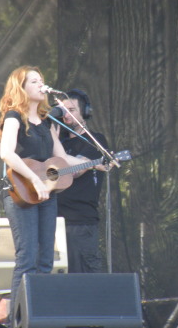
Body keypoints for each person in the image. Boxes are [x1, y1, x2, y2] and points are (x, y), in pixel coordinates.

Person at [0, 66, 87, 323]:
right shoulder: (14, 116)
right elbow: (7, 153)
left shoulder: (49, 122)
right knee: (26, 259)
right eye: (34, 81)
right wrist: (35, 179)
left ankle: (40, 318)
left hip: (47, 194)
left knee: (46, 259)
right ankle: (18, 321)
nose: (41, 85)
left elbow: (61, 158)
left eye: (41, 81)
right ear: (21, 87)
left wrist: (93, 161)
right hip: (21, 192)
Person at [56, 89, 109, 273]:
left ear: (85, 112)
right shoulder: (56, 142)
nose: (66, 115)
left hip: (80, 222)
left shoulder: (95, 140)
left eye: (71, 109)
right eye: (62, 110)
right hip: (53, 222)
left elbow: (74, 172)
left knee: (84, 279)